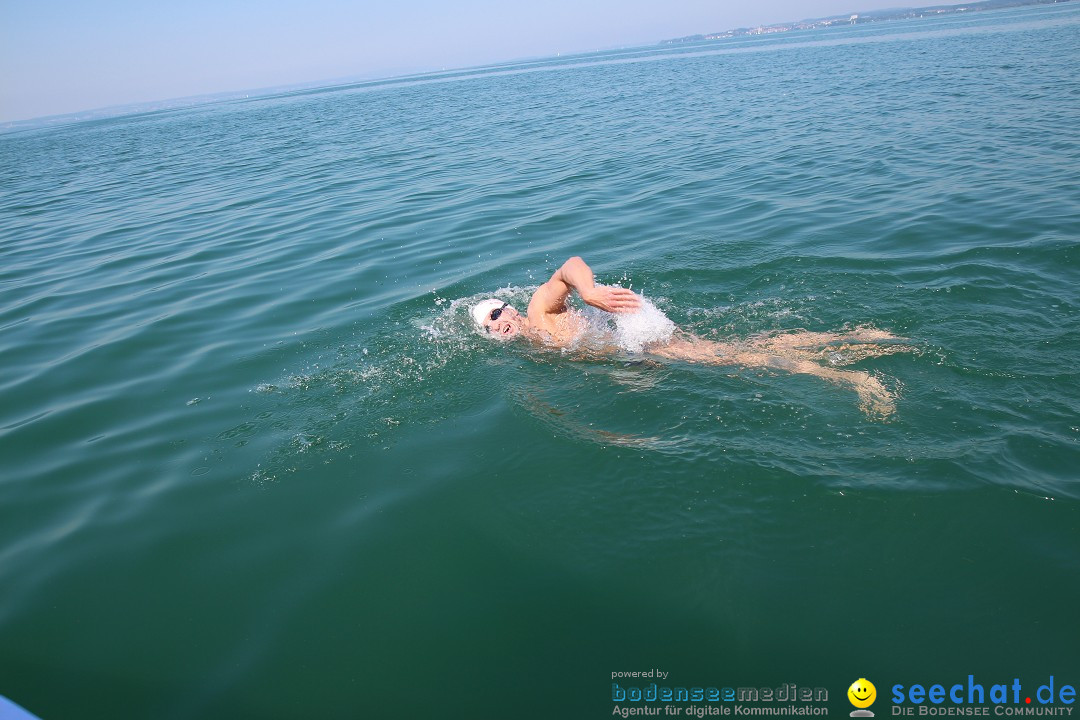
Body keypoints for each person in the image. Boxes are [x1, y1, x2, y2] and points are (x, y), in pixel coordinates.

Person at [471, 256, 909, 419]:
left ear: (507, 307)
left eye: (496, 313)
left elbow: (569, 266)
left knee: (735, 359)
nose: (497, 323)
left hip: (643, 340)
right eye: (488, 326)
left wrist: (587, 291)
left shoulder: (537, 311)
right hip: (637, 348)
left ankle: (853, 379)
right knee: (741, 349)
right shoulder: (530, 349)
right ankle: (859, 337)